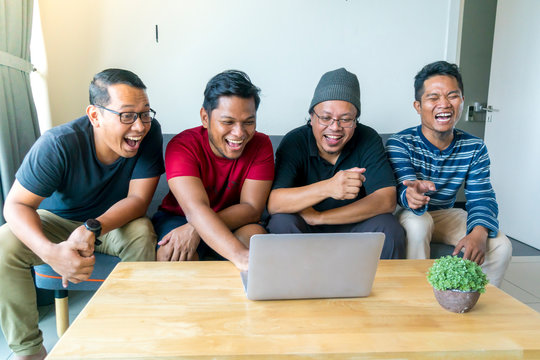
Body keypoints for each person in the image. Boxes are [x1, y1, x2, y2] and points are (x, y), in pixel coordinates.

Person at [0, 69, 164, 359]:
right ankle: (28, 350)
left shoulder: (150, 134)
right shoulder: (58, 144)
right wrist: (51, 253)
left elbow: (138, 200)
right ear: (95, 115)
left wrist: (93, 227)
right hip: (56, 221)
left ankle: (133, 334)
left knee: (141, 232)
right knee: (4, 243)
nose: (139, 126)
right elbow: (15, 205)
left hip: (112, 221)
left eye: (145, 114)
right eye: (127, 115)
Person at [385, 60, 512, 286]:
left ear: (462, 101)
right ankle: (418, 296)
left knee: (501, 245)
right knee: (418, 223)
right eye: (433, 98)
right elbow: (402, 189)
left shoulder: (475, 147)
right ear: (418, 106)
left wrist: (479, 232)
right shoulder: (399, 142)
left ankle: (474, 302)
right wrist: (411, 195)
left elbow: (482, 196)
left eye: (452, 96)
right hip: (408, 214)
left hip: (446, 214)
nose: (444, 104)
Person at [266, 68, 405, 259]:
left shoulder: (367, 138)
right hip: (304, 229)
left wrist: (320, 218)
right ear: (312, 117)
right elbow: (275, 203)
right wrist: (329, 188)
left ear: (355, 121)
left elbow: (386, 200)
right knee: (281, 222)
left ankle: (384, 288)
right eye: (325, 117)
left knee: (388, 227)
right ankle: (293, 287)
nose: (335, 127)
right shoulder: (294, 141)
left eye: (346, 119)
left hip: (351, 226)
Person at [152, 70, 274, 271]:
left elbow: (252, 208)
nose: (239, 133)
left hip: (234, 220)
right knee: (169, 254)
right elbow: (195, 209)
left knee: (255, 236)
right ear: (205, 118)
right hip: (180, 217)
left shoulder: (261, 145)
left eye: (249, 122)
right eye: (228, 122)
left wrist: (195, 229)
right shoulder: (182, 146)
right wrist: (242, 258)